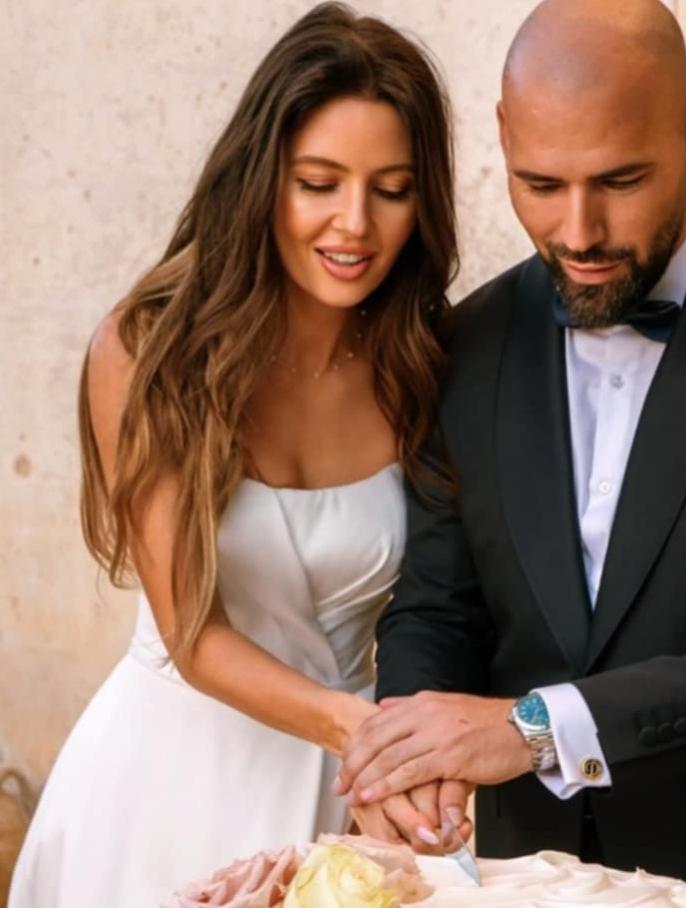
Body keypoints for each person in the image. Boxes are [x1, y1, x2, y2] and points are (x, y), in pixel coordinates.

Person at [333, 1, 686, 905]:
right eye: (540, 183)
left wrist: (534, 728)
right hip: (520, 879)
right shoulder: (465, 341)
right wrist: (414, 761)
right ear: (504, 139)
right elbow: (438, 608)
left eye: (620, 179)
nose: (578, 231)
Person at [9, 4, 469, 905]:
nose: (355, 223)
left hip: (347, 797)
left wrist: (413, 762)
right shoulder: (148, 349)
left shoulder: (421, 359)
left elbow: (450, 600)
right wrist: (364, 737)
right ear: (262, 179)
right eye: (318, 182)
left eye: (391, 189)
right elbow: (193, 635)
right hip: (160, 786)